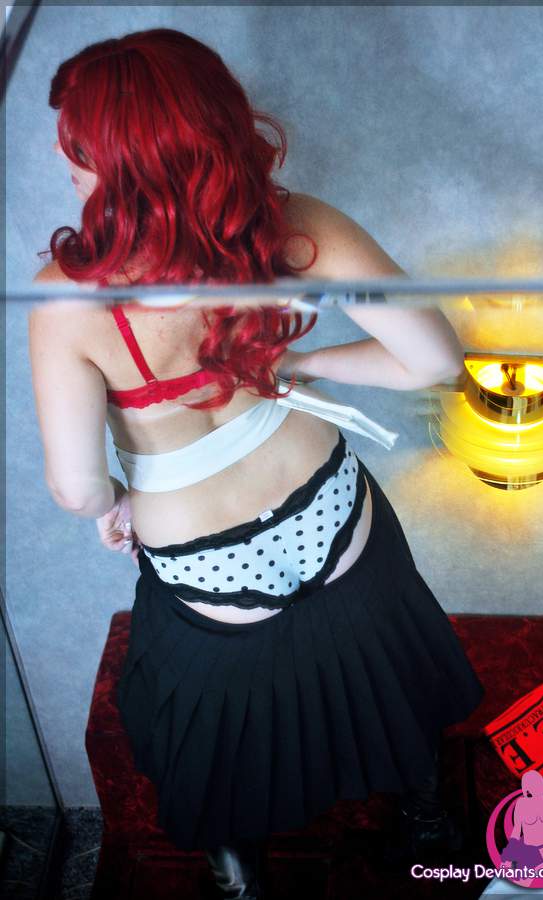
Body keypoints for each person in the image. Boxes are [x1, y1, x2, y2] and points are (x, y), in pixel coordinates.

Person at [29, 28, 485, 899]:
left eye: (76, 144)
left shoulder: (65, 300)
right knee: (387, 669)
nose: (65, 159)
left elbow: (74, 485)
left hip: (207, 570)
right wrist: (302, 363)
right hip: (334, 521)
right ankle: (428, 820)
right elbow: (433, 359)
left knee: (207, 734)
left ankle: (239, 877)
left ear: (113, 159)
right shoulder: (291, 223)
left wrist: (111, 502)